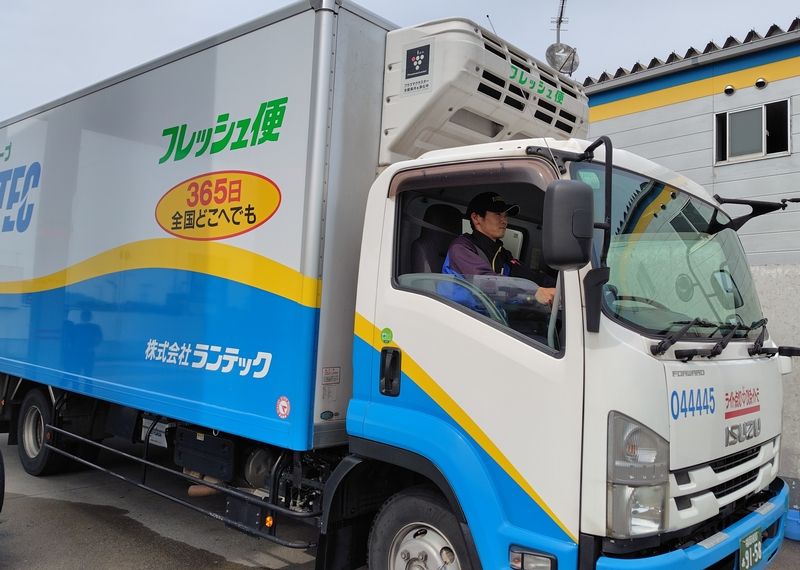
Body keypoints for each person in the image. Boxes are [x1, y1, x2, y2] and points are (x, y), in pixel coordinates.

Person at [442, 192, 556, 306]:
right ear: (476, 218)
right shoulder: (461, 248)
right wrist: (533, 292)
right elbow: (486, 282)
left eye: (505, 215)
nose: (504, 221)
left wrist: (558, 285)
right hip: (462, 314)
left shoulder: (501, 253)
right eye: (497, 214)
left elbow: (528, 274)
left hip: (491, 313)